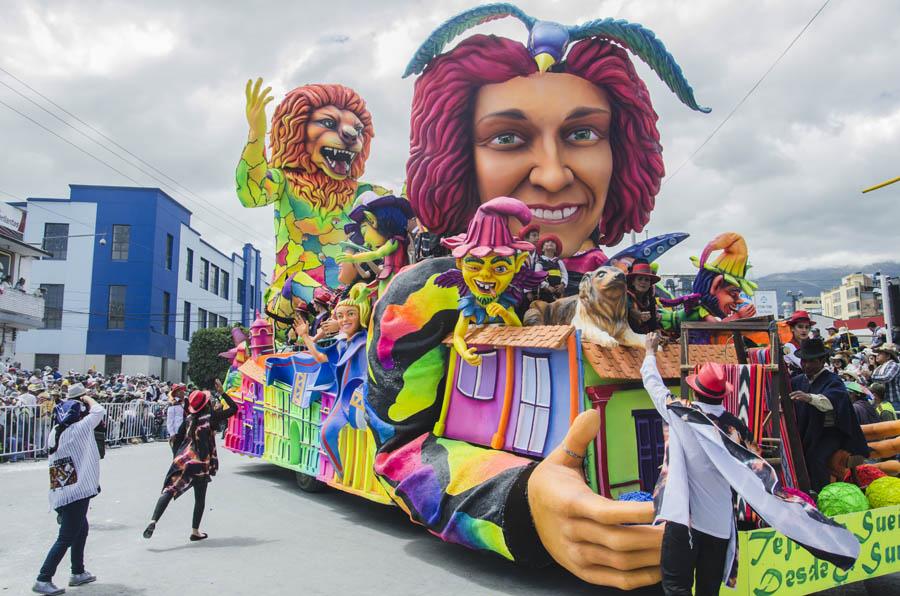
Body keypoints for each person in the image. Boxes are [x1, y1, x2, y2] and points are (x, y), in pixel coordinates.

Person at [640, 332, 754, 594]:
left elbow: (653, 385)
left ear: (695, 389)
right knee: (708, 590)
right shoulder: (737, 428)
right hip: (720, 523)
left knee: (676, 586)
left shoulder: (682, 414)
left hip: (685, 520)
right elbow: (751, 468)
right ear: (722, 396)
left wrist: (649, 352)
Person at [33, 385, 105, 595]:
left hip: (61, 489)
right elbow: (99, 411)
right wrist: (88, 398)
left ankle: (78, 571)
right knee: (66, 537)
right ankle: (43, 578)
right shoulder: (80, 428)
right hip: (77, 490)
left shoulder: (56, 431)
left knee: (81, 528)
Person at [143, 388, 236, 541]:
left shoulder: (189, 420)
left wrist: (176, 458)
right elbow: (233, 408)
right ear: (206, 404)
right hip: (199, 463)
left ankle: (153, 520)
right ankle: (195, 531)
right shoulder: (210, 418)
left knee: (170, 490)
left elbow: (176, 439)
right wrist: (221, 392)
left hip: (183, 460)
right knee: (199, 499)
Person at [790, 338, 870, 491]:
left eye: (810, 361)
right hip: (805, 432)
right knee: (793, 453)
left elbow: (830, 401)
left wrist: (808, 397)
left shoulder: (833, 381)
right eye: (803, 361)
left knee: (815, 458)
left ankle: (821, 495)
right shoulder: (798, 380)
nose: (805, 365)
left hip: (830, 434)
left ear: (821, 361)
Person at [626, 260, 661, 334]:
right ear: (633, 282)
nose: (643, 282)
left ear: (650, 283)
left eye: (647, 280)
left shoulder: (650, 297)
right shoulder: (624, 295)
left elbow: (653, 322)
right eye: (640, 279)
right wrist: (635, 314)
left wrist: (657, 331)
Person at [534, 235, 568, 302]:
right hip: (545, 292)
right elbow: (537, 276)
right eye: (547, 242)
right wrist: (547, 286)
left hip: (558, 291)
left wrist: (562, 284)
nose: (550, 243)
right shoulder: (539, 262)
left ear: (555, 249)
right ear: (542, 249)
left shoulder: (559, 262)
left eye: (553, 242)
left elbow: (564, 274)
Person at [783, 310, 815, 375]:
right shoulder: (787, 347)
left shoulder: (811, 344)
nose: (804, 330)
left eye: (807, 327)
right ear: (792, 328)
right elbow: (804, 365)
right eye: (800, 327)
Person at [871, 343, 900, 411]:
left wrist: (871, 376)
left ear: (888, 356)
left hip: (893, 400)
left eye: (880, 353)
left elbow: (886, 378)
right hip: (882, 401)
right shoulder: (879, 368)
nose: (877, 355)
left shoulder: (894, 365)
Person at [165, 384, 186, 456]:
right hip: (177, 431)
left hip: (186, 430)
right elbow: (170, 420)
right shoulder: (173, 404)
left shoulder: (185, 402)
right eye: (180, 390)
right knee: (177, 453)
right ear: (176, 393)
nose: (182, 392)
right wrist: (172, 433)